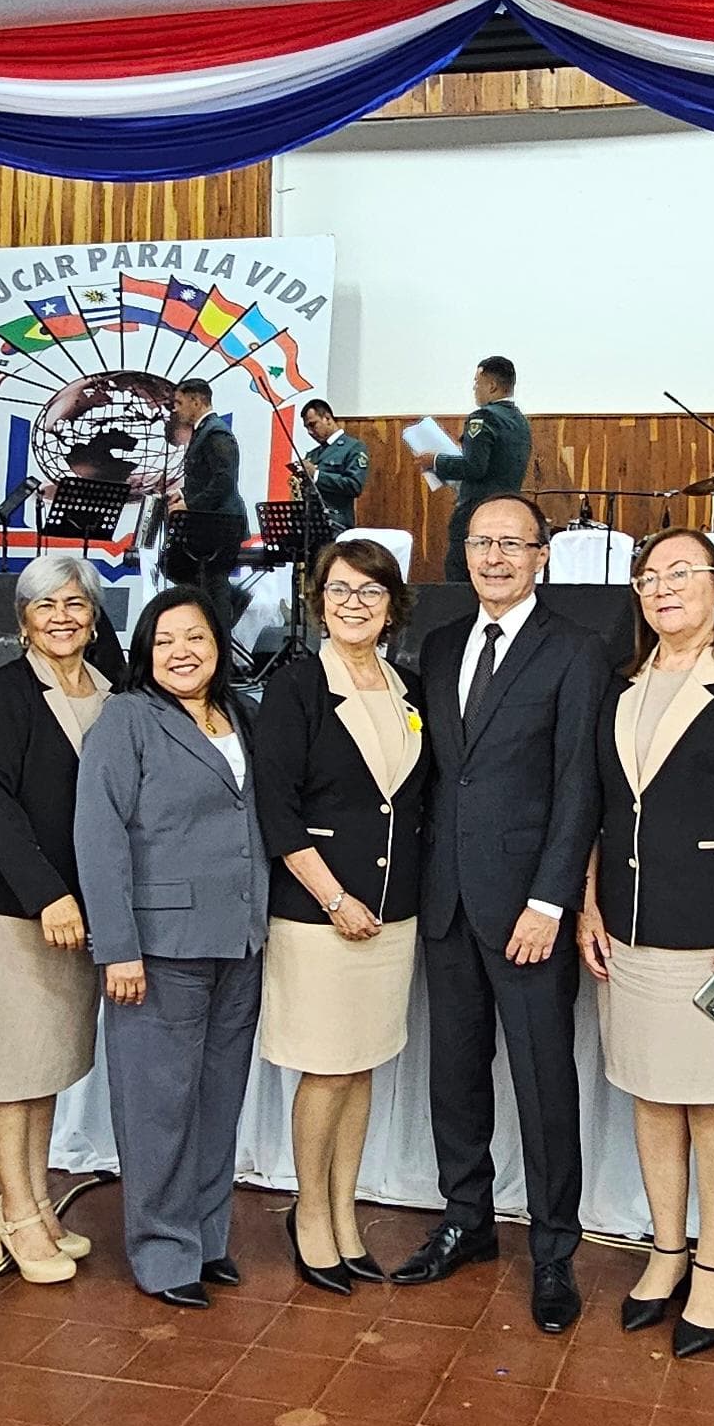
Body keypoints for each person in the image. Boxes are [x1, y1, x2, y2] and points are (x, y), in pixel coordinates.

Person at [575, 529, 714, 1359]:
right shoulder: (623, 682)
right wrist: (589, 905)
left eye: (682, 573)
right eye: (649, 577)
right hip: (630, 927)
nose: (663, 587)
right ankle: (666, 1249)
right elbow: (604, 806)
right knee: (650, 1094)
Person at [398, 493, 609, 1331]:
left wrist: (549, 898)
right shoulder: (442, 642)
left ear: (542, 555)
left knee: (542, 1082)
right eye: (481, 543)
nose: (494, 558)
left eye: (511, 545)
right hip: (446, 899)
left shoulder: (577, 651)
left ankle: (555, 1252)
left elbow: (578, 789)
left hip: (528, 910)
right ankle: (466, 1218)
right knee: (453, 1074)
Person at [76, 588, 268, 1309]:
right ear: (143, 652)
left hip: (240, 939)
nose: (181, 652)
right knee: (159, 1104)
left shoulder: (237, 715)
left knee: (218, 1100)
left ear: (219, 644)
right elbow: (99, 835)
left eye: (195, 637)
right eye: (164, 641)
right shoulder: (126, 719)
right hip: (159, 946)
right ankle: (161, 1253)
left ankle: (205, 1236)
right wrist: (117, 947)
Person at [255, 537, 431, 1294]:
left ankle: (343, 1210)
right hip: (320, 914)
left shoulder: (408, 686)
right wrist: (334, 897)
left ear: (393, 606)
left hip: (394, 916)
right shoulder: (296, 686)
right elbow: (277, 810)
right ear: (317, 600)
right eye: (338, 590)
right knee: (325, 1072)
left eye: (369, 591)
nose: (352, 603)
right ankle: (309, 1214)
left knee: (361, 1069)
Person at [0, 554, 114, 1286]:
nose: (62, 617)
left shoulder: (114, 695)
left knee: (46, 1062)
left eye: (75, 604)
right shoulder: (0, 693)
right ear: (23, 620)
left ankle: (36, 1199)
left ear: (93, 615)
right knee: (7, 1066)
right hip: (17, 908)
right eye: (45, 605)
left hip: (85, 914)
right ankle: (16, 1211)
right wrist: (46, 895)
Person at [432, 356, 533, 582]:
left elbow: (475, 466)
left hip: (475, 511)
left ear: (492, 386)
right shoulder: (520, 421)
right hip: (509, 511)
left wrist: (436, 461)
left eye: (477, 382)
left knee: (461, 575)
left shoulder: (483, 418)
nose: (474, 389)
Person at [161, 377, 247, 629]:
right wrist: (184, 494)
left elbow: (224, 480)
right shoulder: (205, 431)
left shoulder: (217, 432)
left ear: (196, 401)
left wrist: (190, 506)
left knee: (213, 586)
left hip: (220, 527)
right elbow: (206, 478)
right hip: (210, 524)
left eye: (179, 402)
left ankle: (224, 627)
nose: (175, 409)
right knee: (193, 578)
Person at [294, 398, 370, 541]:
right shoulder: (313, 454)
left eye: (313, 424)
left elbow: (354, 485)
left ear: (327, 418)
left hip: (337, 526)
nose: (310, 432)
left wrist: (316, 475)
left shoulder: (353, 448)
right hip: (310, 528)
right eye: (306, 428)